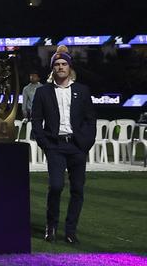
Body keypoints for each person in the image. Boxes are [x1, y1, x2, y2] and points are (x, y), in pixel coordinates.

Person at [31, 46, 96, 244]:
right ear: (52, 69)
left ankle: (70, 230)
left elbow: (90, 120)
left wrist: (85, 143)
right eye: (57, 65)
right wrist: (45, 144)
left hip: (77, 147)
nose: (60, 67)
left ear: (69, 67)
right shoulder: (43, 92)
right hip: (55, 146)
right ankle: (51, 227)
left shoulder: (82, 91)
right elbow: (36, 121)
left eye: (64, 64)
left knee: (77, 189)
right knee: (56, 186)